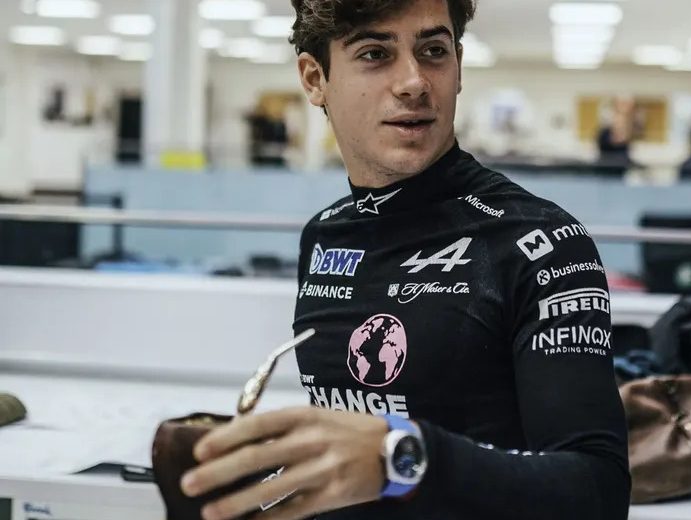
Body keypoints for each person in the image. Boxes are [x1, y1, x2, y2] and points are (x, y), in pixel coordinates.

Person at [180, 1, 630, 519]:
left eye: (433, 51)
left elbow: (598, 492)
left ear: (458, 66)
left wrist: (402, 457)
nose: (414, 82)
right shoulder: (324, 236)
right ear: (315, 79)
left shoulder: (540, 241)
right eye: (375, 54)